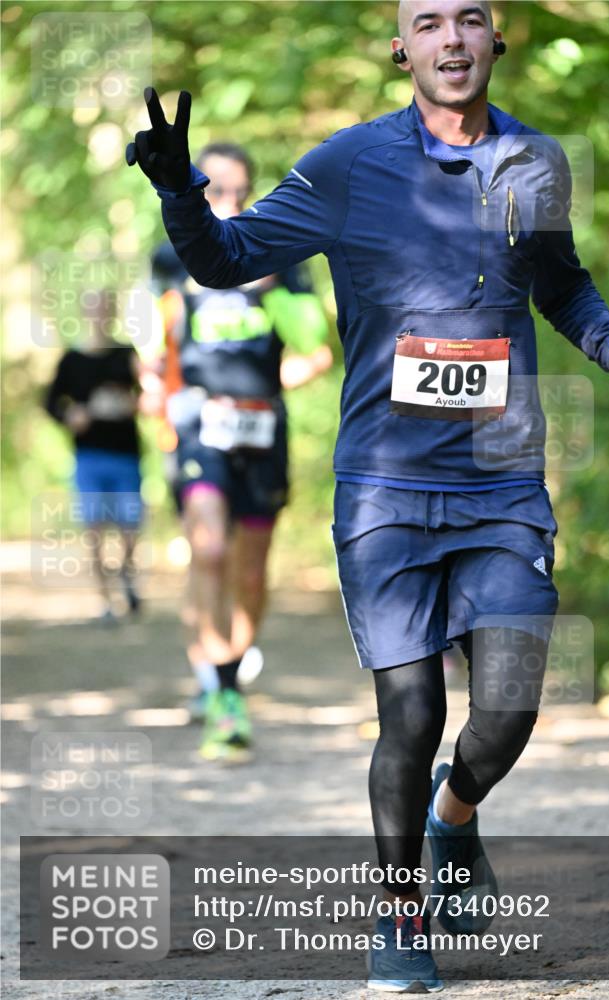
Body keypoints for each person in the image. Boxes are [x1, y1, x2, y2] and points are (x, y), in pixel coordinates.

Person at [126, 0, 609, 989]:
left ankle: (453, 818)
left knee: (505, 708)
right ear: (401, 46)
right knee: (409, 715)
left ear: (495, 37)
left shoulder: (534, 163)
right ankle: (399, 919)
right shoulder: (346, 166)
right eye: (428, 22)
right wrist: (178, 190)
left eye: (469, 19)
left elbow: (560, 285)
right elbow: (226, 258)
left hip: (501, 479)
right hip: (383, 486)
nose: (451, 39)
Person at [147, 142, 332, 762]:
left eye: (236, 192)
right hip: (198, 425)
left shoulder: (280, 258)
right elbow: (152, 346)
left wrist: (267, 384)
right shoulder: (172, 259)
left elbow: (316, 350)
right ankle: (223, 690)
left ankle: (228, 668)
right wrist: (157, 391)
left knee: (250, 571)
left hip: (262, 429)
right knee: (210, 549)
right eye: (213, 191)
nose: (226, 202)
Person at [44, 289, 143, 623]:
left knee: (131, 528)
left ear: (112, 314)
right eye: (93, 309)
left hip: (126, 453)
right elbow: (51, 404)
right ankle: (105, 601)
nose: (99, 315)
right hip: (88, 455)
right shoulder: (72, 360)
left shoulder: (126, 355)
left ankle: (126, 575)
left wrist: (130, 404)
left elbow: (148, 395)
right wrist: (73, 417)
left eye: (105, 309)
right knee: (95, 530)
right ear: (85, 313)